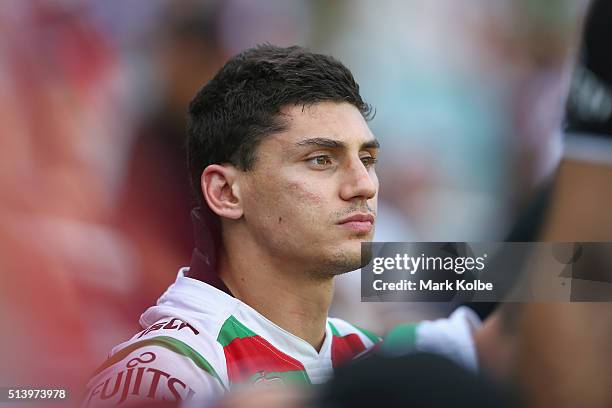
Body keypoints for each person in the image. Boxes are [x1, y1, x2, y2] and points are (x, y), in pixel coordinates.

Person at [82, 45, 481, 408]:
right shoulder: (170, 372)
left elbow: (513, 310)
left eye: (368, 158)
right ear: (226, 192)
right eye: (321, 159)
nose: (363, 184)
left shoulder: (370, 348)